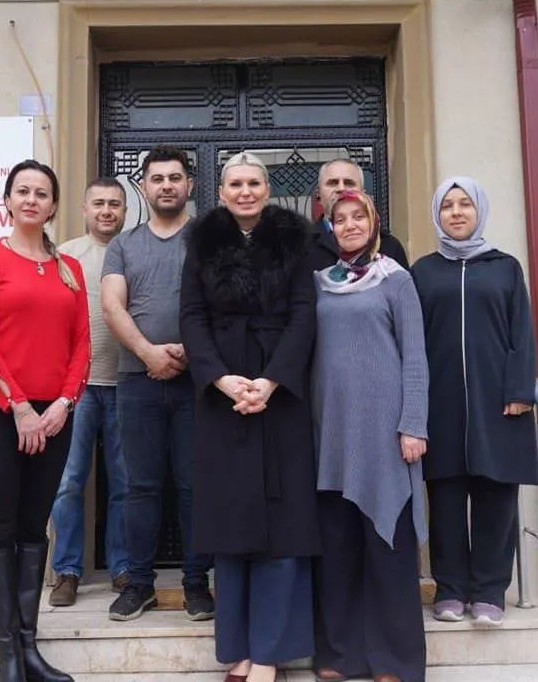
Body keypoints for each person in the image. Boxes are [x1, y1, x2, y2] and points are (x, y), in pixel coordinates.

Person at [181, 152, 321, 682]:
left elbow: (304, 314)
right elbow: (191, 316)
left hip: (280, 398)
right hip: (222, 400)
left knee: (282, 528)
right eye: (235, 183)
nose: (245, 192)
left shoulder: (294, 239)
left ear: (268, 189)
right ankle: (238, 647)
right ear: (220, 192)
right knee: (230, 524)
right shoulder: (202, 241)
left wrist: (271, 381)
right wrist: (220, 379)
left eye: (254, 183)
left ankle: (269, 654)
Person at [0, 159, 88, 682]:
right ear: (8, 201)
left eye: (42, 193)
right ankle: (8, 657)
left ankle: (30, 649)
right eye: (23, 191)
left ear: (53, 205)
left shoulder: (69, 268)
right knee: (1, 522)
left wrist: (62, 404)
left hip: (54, 417)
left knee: (36, 524)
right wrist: (18, 406)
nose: (32, 199)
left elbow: (82, 344)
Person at [310, 190, 429, 682]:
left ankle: (393, 660)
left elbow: (415, 357)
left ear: (374, 222)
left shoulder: (396, 279)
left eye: (359, 216)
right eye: (340, 219)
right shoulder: (320, 283)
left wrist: (414, 425)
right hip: (331, 435)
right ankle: (340, 655)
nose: (350, 225)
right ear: (330, 228)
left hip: (384, 435)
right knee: (337, 551)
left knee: (388, 552)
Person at [411, 176, 538, 628]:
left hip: (497, 402)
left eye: (465, 204)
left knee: (496, 497)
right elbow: (411, 339)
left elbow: (522, 332)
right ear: (437, 215)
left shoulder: (505, 268)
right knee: (445, 498)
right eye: (447, 206)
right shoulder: (423, 272)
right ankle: (450, 589)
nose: (456, 213)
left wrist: (520, 390)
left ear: (478, 211)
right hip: (439, 401)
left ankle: (489, 591)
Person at [101, 146, 215, 622]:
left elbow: (222, 303)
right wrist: (149, 353)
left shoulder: (209, 239)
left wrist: (191, 351)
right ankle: (139, 584)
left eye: (175, 177)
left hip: (198, 383)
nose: (166, 185)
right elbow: (112, 305)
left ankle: (196, 584)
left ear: (190, 185)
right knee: (140, 487)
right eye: (157, 178)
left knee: (195, 486)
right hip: (137, 382)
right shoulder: (123, 245)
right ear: (143, 187)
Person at [48, 178, 129, 606]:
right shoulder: (64, 255)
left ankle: (122, 568)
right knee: (67, 483)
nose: (106, 211)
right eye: (99, 203)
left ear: (125, 211)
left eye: (114, 204)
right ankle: (66, 571)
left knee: (125, 484)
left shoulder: (133, 250)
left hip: (127, 383)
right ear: (84, 209)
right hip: (76, 388)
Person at [307, 158, 409, 271]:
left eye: (349, 183)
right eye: (333, 183)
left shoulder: (390, 246)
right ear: (318, 194)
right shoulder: (302, 246)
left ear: (362, 194)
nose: (341, 188)